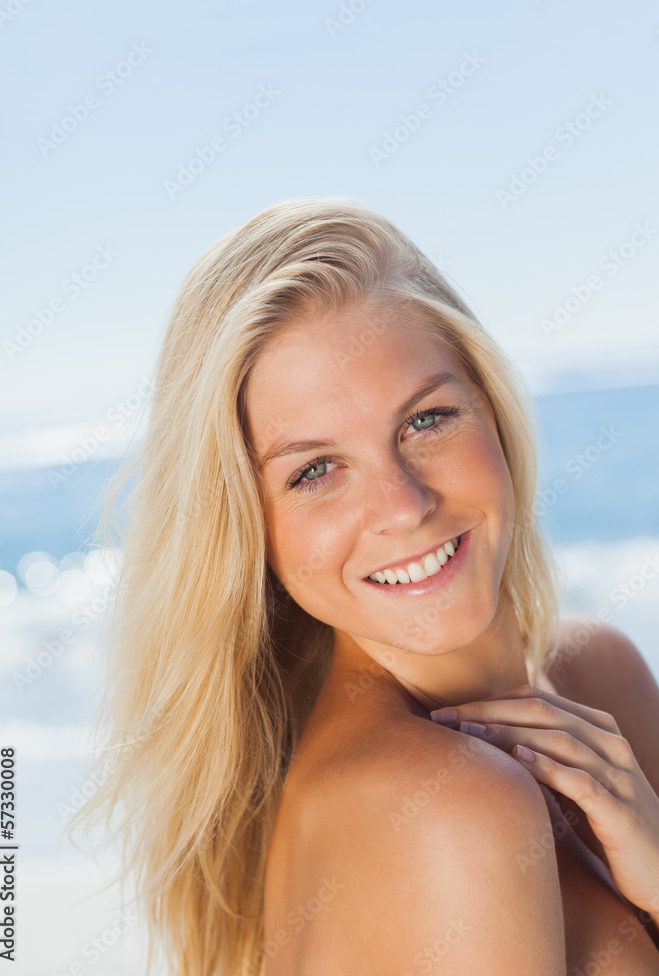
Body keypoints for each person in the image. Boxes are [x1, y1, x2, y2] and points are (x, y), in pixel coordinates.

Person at [70, 197, 659, 975]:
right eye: (314, 470)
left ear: (492, 409)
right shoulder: (454, 805)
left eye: (426, 419)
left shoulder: (598, 672)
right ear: (250, 527)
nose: (404, 506)